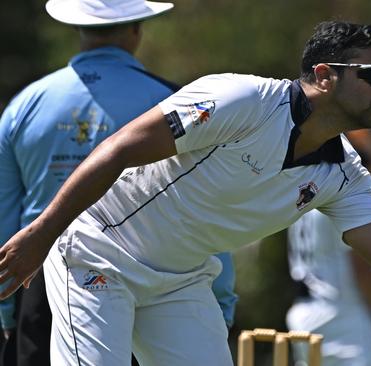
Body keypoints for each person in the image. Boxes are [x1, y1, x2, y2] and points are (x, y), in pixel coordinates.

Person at [0, 20, 371, 366]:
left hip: (179, 282)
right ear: (325, 75)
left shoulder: (344, 174)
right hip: (96, 255)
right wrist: (41, 234)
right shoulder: (240, 99)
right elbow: (120, 149)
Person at [0, 1, 237, 365]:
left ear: (77, 28)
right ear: (136, 28)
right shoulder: (172, 104)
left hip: (37, 286)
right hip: (147, 287)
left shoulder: (24, 105)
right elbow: (205, 208)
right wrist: (220, 298)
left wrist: (6, 308)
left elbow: (5, 216)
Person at [286, 120, 371, 366]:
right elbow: (363, 267)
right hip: (345, 322)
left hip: (305, 317)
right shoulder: (344, 196)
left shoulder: (312, 187)